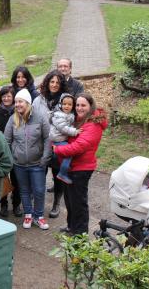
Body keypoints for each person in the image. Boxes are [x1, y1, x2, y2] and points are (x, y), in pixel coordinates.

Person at [54, 93, 107, 235]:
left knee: (79, 203)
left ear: (90, 106)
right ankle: (71, 227)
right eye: (77, 105)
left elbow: (78, 147)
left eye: (83, 105)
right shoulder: (78, 120)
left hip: (81, 169)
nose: (79, 108)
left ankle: (80, 234)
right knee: (70, 201)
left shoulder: (93, 124)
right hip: (71, 167)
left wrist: (57, 149)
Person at [4, 89, 52, 230]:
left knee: (38, 190)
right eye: (16, 101)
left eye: (21, 101)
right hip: (19, 164)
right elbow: (6, 141)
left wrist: (45, 158)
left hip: (37, 163)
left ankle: (39, 216)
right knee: (24, 190)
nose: (17, 104)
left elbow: (48, 138)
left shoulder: (40, 117)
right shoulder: (12, 119)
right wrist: (11, 158)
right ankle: (28, 214)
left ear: (28, 103)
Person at [32, 70, 68, 218]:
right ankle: (37, 199)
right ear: (47, 82)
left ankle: (56, 203)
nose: (54, 85)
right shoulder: (39, 99)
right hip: (41, 143)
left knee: (57, 174)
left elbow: (70, 118)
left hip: (58, 144)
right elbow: (32, 118)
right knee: (40, 171)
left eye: (57, 83)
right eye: (52, 82)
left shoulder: (65, 100)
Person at [0, 86, 22, 218]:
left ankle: (16, 204)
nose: (6, 98)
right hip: (0, 151)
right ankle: (3, 204)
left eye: (9, 96)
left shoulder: (19, 112)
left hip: (16, 151)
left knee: (17, 180)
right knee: (2, 179)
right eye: (3, 96)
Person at [49, 93, 80, 185]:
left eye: (69, 104)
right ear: (60, 105)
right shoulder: (59, 115)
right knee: (69, 152)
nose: (66, 106)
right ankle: (62, 173)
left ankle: (65, 167)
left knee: (64, 155)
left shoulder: (69, 114)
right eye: (64, 104)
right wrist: (75, 131)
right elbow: (63, 128)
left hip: (61, 139)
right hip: (57, 140)